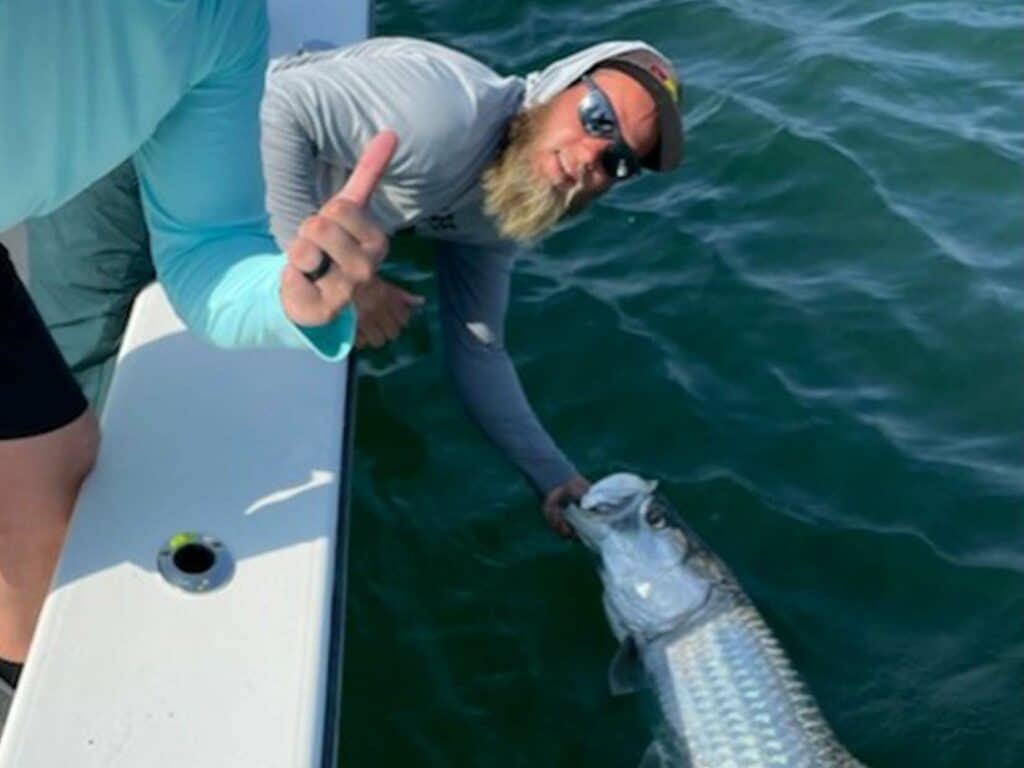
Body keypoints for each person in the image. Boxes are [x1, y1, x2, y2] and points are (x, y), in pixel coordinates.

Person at [26, 36, 684, 540]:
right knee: (66, 372)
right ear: (556, 87)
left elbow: (479, 351)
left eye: (620, 163)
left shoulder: (504, 208)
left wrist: (555, 477)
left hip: (220, 231)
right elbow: (273, 105)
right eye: (597, 118)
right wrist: (327, 276)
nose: (594, 159)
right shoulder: (446, 111)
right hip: (143, 150)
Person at [0, 1, 393, 718]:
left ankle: (26, 707)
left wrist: (289, 297)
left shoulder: (225, 24)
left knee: (54, 463)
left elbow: (206, 251)